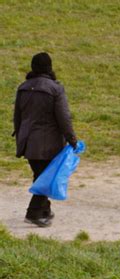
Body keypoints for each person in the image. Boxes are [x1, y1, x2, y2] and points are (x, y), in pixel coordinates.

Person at [13, 52, 78, 227]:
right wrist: (72, 140)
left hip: (28, 142)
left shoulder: (23, 87)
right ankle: (33, 213)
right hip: (48, 143)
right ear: (49, 67)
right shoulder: (55, 89)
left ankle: (44, 210)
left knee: (40, 175)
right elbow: (64, 118)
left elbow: (17, 117)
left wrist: (20, 138)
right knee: (46, 179)